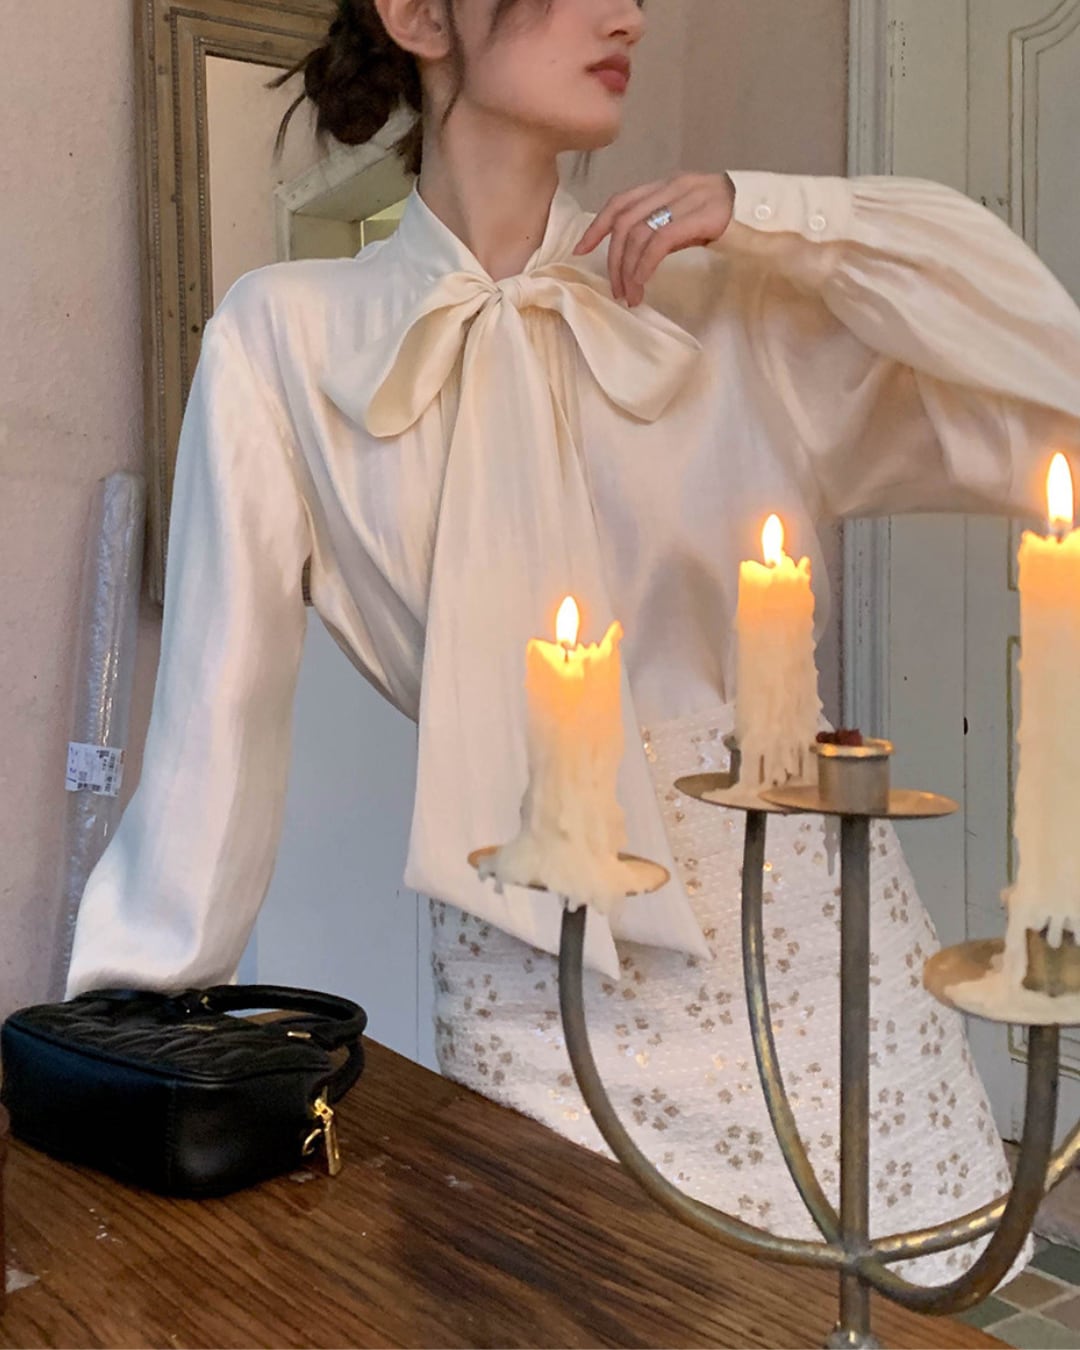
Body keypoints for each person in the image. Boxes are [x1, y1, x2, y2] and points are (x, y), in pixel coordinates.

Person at [66, 0, 1080, 1284]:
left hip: (807, 958)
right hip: (538, 990)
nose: (629, 13)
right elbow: (216, 724)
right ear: (419, 14)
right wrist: (113, 1043)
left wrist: (782, 214)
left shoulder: (725, 298)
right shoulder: (284, 339)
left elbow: (1051, 377)